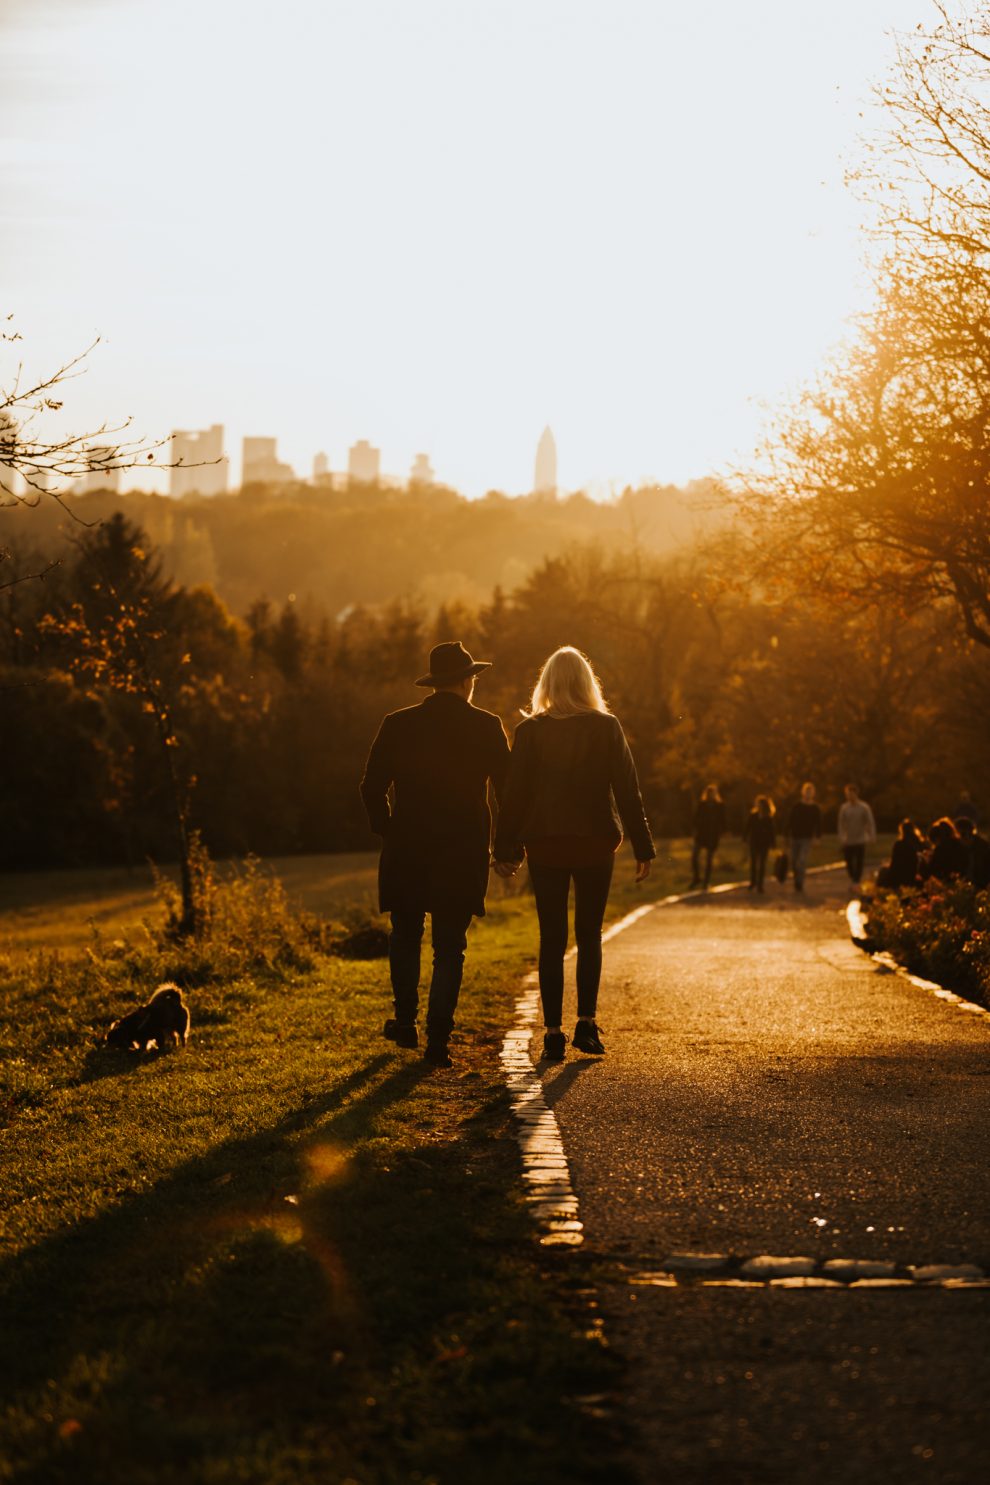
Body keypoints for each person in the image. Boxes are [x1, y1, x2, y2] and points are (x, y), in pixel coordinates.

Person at [492, 646, 655, 1062]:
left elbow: (514, 795)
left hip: (546, 843)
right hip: (594, 841)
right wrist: (643, 846)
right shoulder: (606, 727)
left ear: (547, 684)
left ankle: (552, 1033)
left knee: (551, 937)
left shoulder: (530, 731)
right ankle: (586, 1023)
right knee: (589, 933)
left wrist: (505, 848)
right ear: (587, 683)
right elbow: (628, 789)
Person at [360, 640, 510, 1069]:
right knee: (450, 947)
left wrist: (388, 829)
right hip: (462, 850)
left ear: (434, 683)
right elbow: (509, 793)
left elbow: (371, 787)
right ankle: (438, 1042)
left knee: (405, 934)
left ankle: (406, 1022)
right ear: (466, 682)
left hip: (407, 847)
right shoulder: (487, 726)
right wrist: (506, 848)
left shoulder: (398, 723)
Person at [837, 783, 877, 887]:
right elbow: (841, 823)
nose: (849, 796)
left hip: (860, 838)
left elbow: (870, 822)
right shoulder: (844, 808)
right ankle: (852, 877)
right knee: (849, 861)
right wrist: (841, 836)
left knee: (859, 861)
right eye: (848, 794)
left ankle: (856, 880)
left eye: (851, 794)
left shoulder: (864, 807)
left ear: (856, 794)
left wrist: (872, 835)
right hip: (848, 839)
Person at [786, 781, 821, 894]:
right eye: (806, 791)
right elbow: (790, 821)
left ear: (813, 793)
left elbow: (818, 823)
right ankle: (796, 881)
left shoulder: (815, 808)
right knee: (794, 861)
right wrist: (787, 835)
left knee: (801, 861)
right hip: (795, 837)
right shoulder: (797, 806)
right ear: (803, 792)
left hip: (807, 838)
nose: (808, 794)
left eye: (810, 792)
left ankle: (800, 883)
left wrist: (817, 837)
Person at [690, 783, 726, 890]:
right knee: (694, 857)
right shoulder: (702, 804)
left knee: (709, 859)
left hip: (712, 835)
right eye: (709, 793)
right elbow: (696, 818)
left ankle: (706, 882)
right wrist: (696, 829)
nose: (711, 795)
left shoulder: (719, 806)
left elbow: (722, 820)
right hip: (701, 834)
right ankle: (696, 878)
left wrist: (721, 832)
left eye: (713, 793)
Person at [920, 817, 969, 883]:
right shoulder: (960, 844)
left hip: (947, 883)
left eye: (934, 843)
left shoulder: (940, 850)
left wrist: (926, 861)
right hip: (963, 881)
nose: (934, 846)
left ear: (937, 839)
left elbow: (931, 872)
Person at [743, 794, 776, 893]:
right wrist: (744, 838)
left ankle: (760, 884)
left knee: (762, 863)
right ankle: (753, 882)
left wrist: (773, 843)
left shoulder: (768, 817)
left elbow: (771, 831)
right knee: (753, 863)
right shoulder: (753, 815)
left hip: (764, 843)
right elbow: (748, 827)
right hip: (754, 841)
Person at [881, 818, 926, 889]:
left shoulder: (898, 844)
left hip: (898, 876)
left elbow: (894, 864)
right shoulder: (918, 843)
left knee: (883, 870)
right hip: (911, 875)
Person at [956, 816, 990, 890]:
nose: (958, 839)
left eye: (958, 835)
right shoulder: (967, 848)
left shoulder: (982, 848)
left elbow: (981, 874)